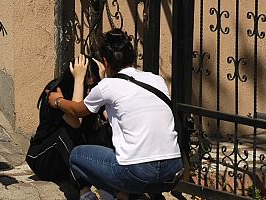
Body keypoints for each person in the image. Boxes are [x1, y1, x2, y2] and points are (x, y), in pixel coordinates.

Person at [47, 28, 183, 200]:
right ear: (132, 58)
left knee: (76, 156)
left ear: (105, 61)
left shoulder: (108, 86)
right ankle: (134, 194)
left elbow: (76, 111)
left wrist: (58, 100)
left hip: (137, 172)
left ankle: (127, 195)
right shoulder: (157, 80)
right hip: (172, 171)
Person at [26, 54, 106, 197]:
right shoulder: (56, 91)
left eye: (92, 86)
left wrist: (103, 84)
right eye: (86, 87)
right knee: (65, 132)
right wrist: (79, 80)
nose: (89, 92)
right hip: (45, 158)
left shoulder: (94, 92)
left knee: (107, 131)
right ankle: (84, 191)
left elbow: (110, 117)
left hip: (70, 161)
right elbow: (75, 122)